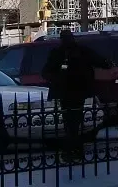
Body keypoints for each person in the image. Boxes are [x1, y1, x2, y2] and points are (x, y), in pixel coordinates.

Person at [42, 31, 109, 160]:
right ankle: (74, 149)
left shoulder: (74, 52)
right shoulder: (62, 53)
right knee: (72, 122)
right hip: (70, 92)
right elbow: (46, 72)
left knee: (72, 122)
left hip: (74, 92)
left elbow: (100, 61)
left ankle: (73, 150)